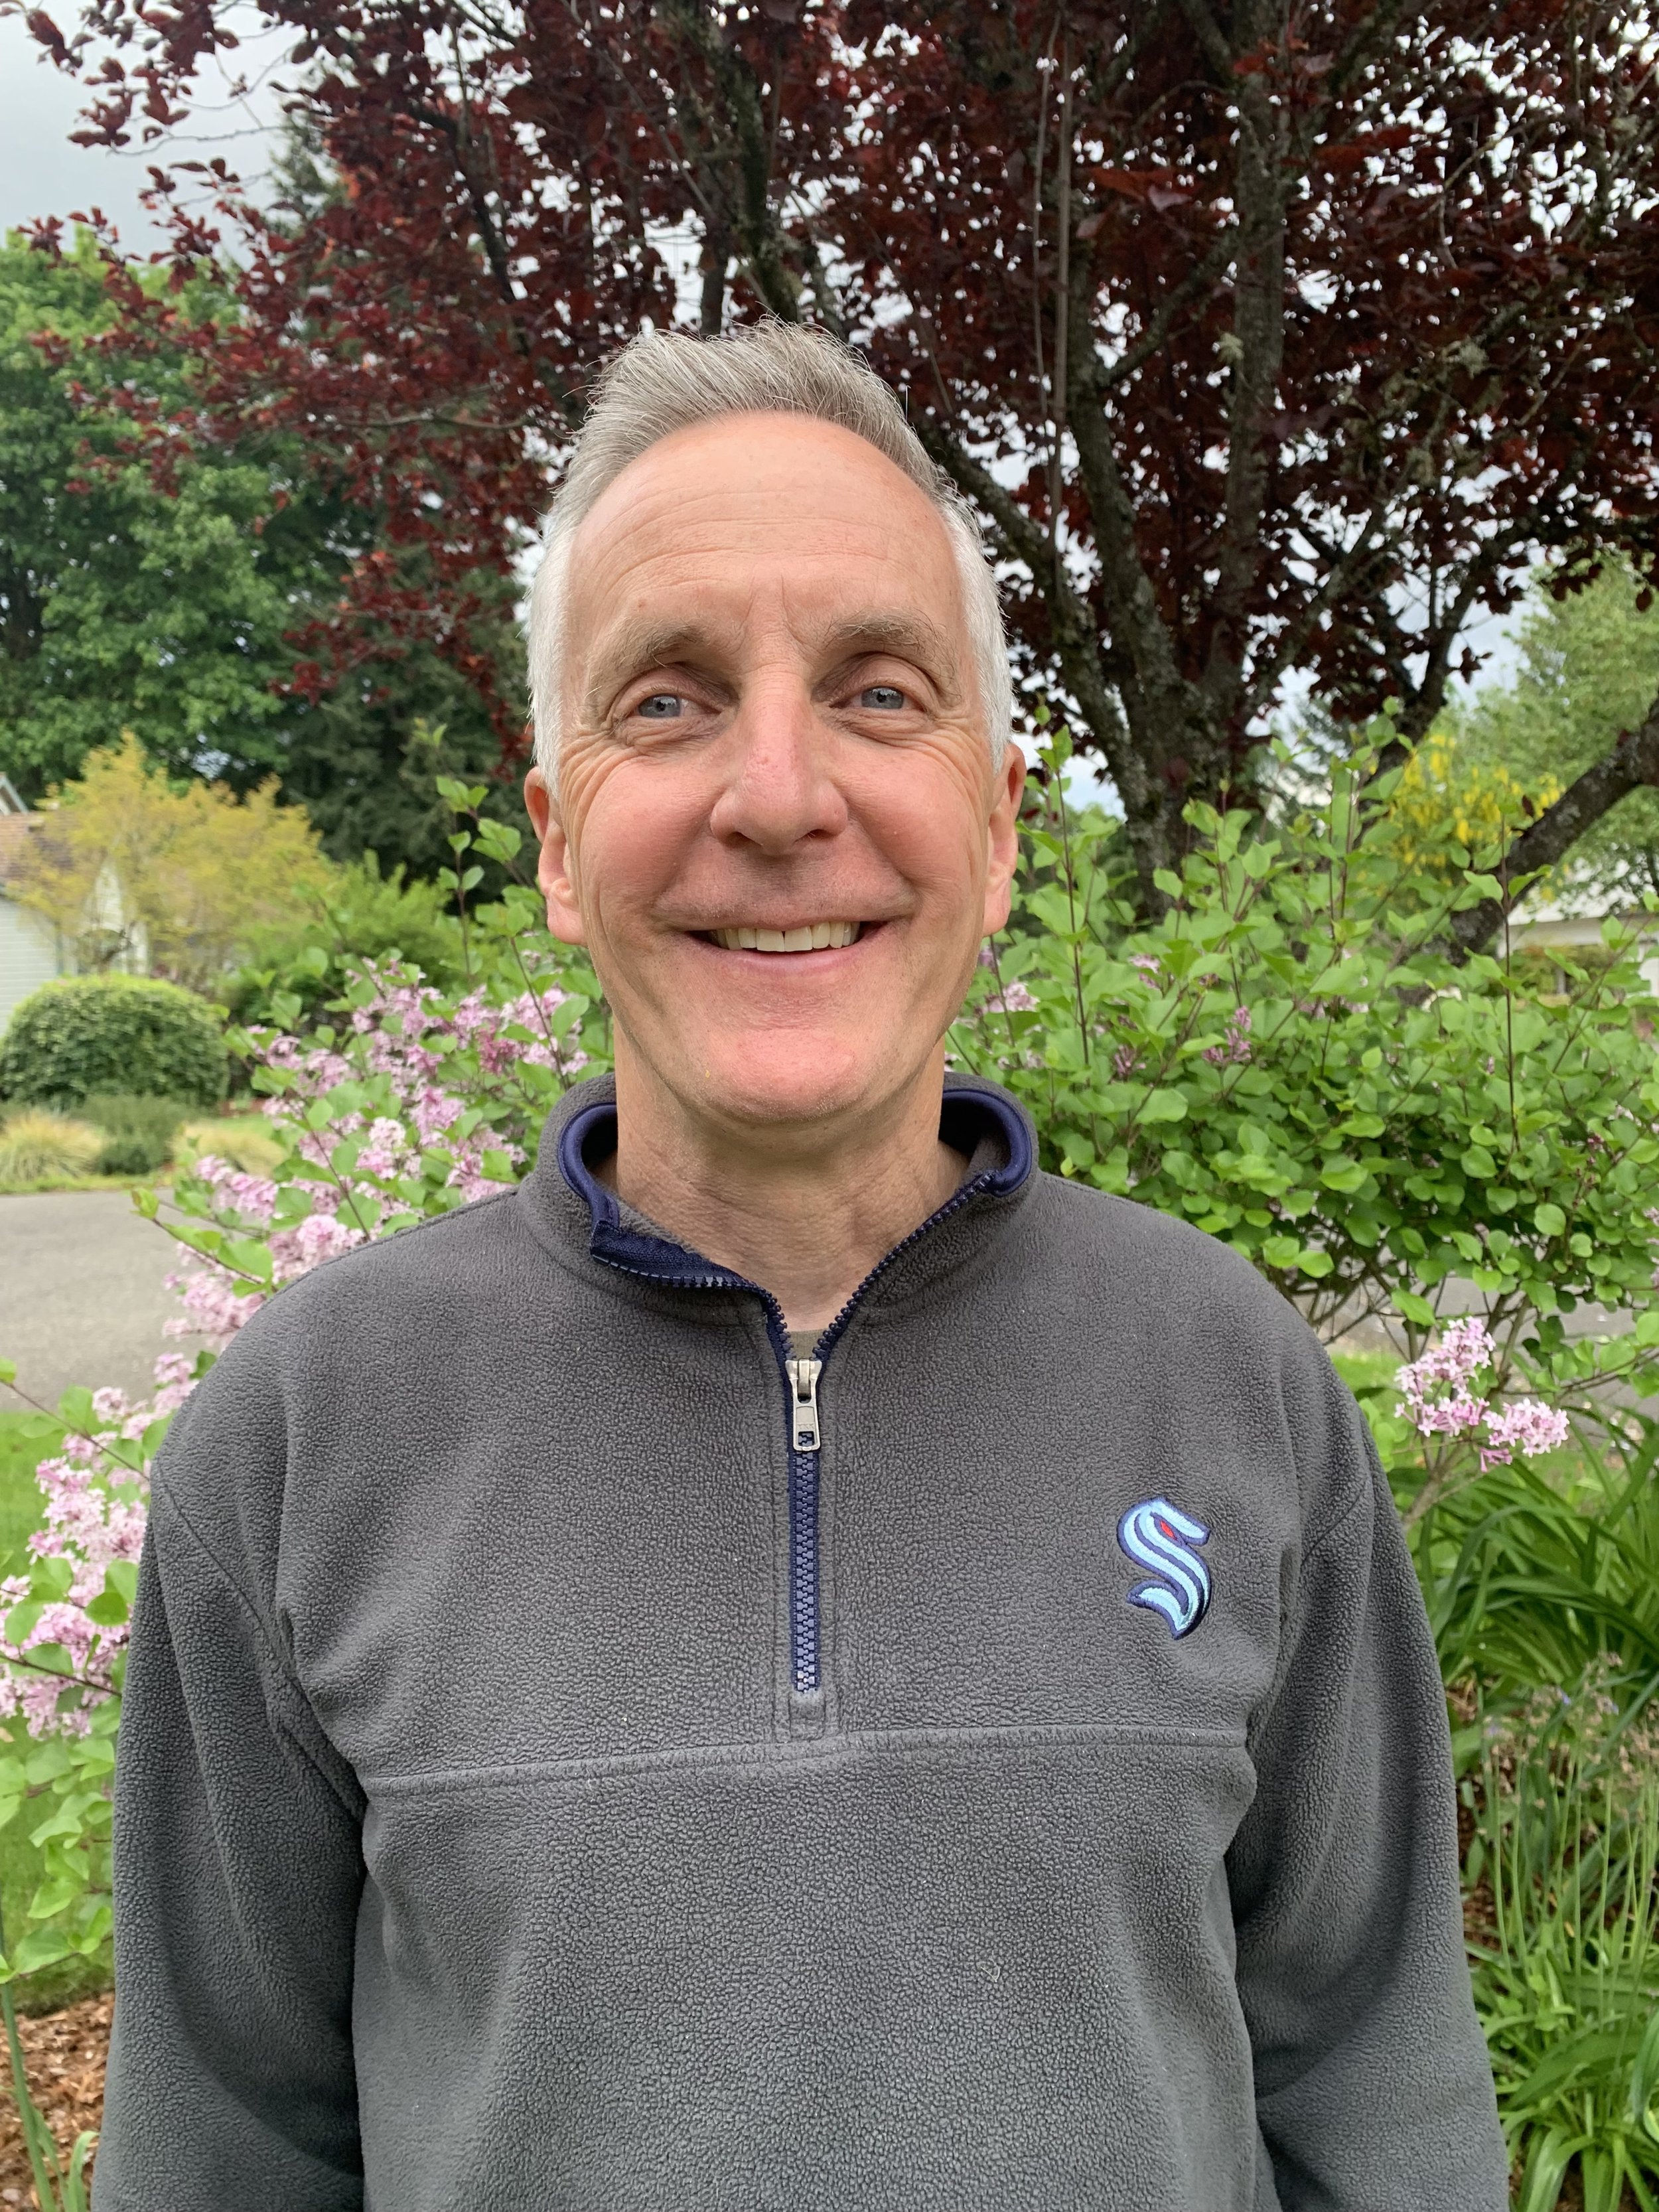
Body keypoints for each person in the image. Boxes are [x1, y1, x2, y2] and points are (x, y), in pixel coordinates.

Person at [94, 321, 1508, 2211]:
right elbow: (221, 2148)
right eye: (669, 699)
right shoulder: (304, 1437)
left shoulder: (1229, 1380)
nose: (776, 794)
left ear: (997, 832)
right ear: (556, 844)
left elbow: (1375, 2085)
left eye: (878, 691)